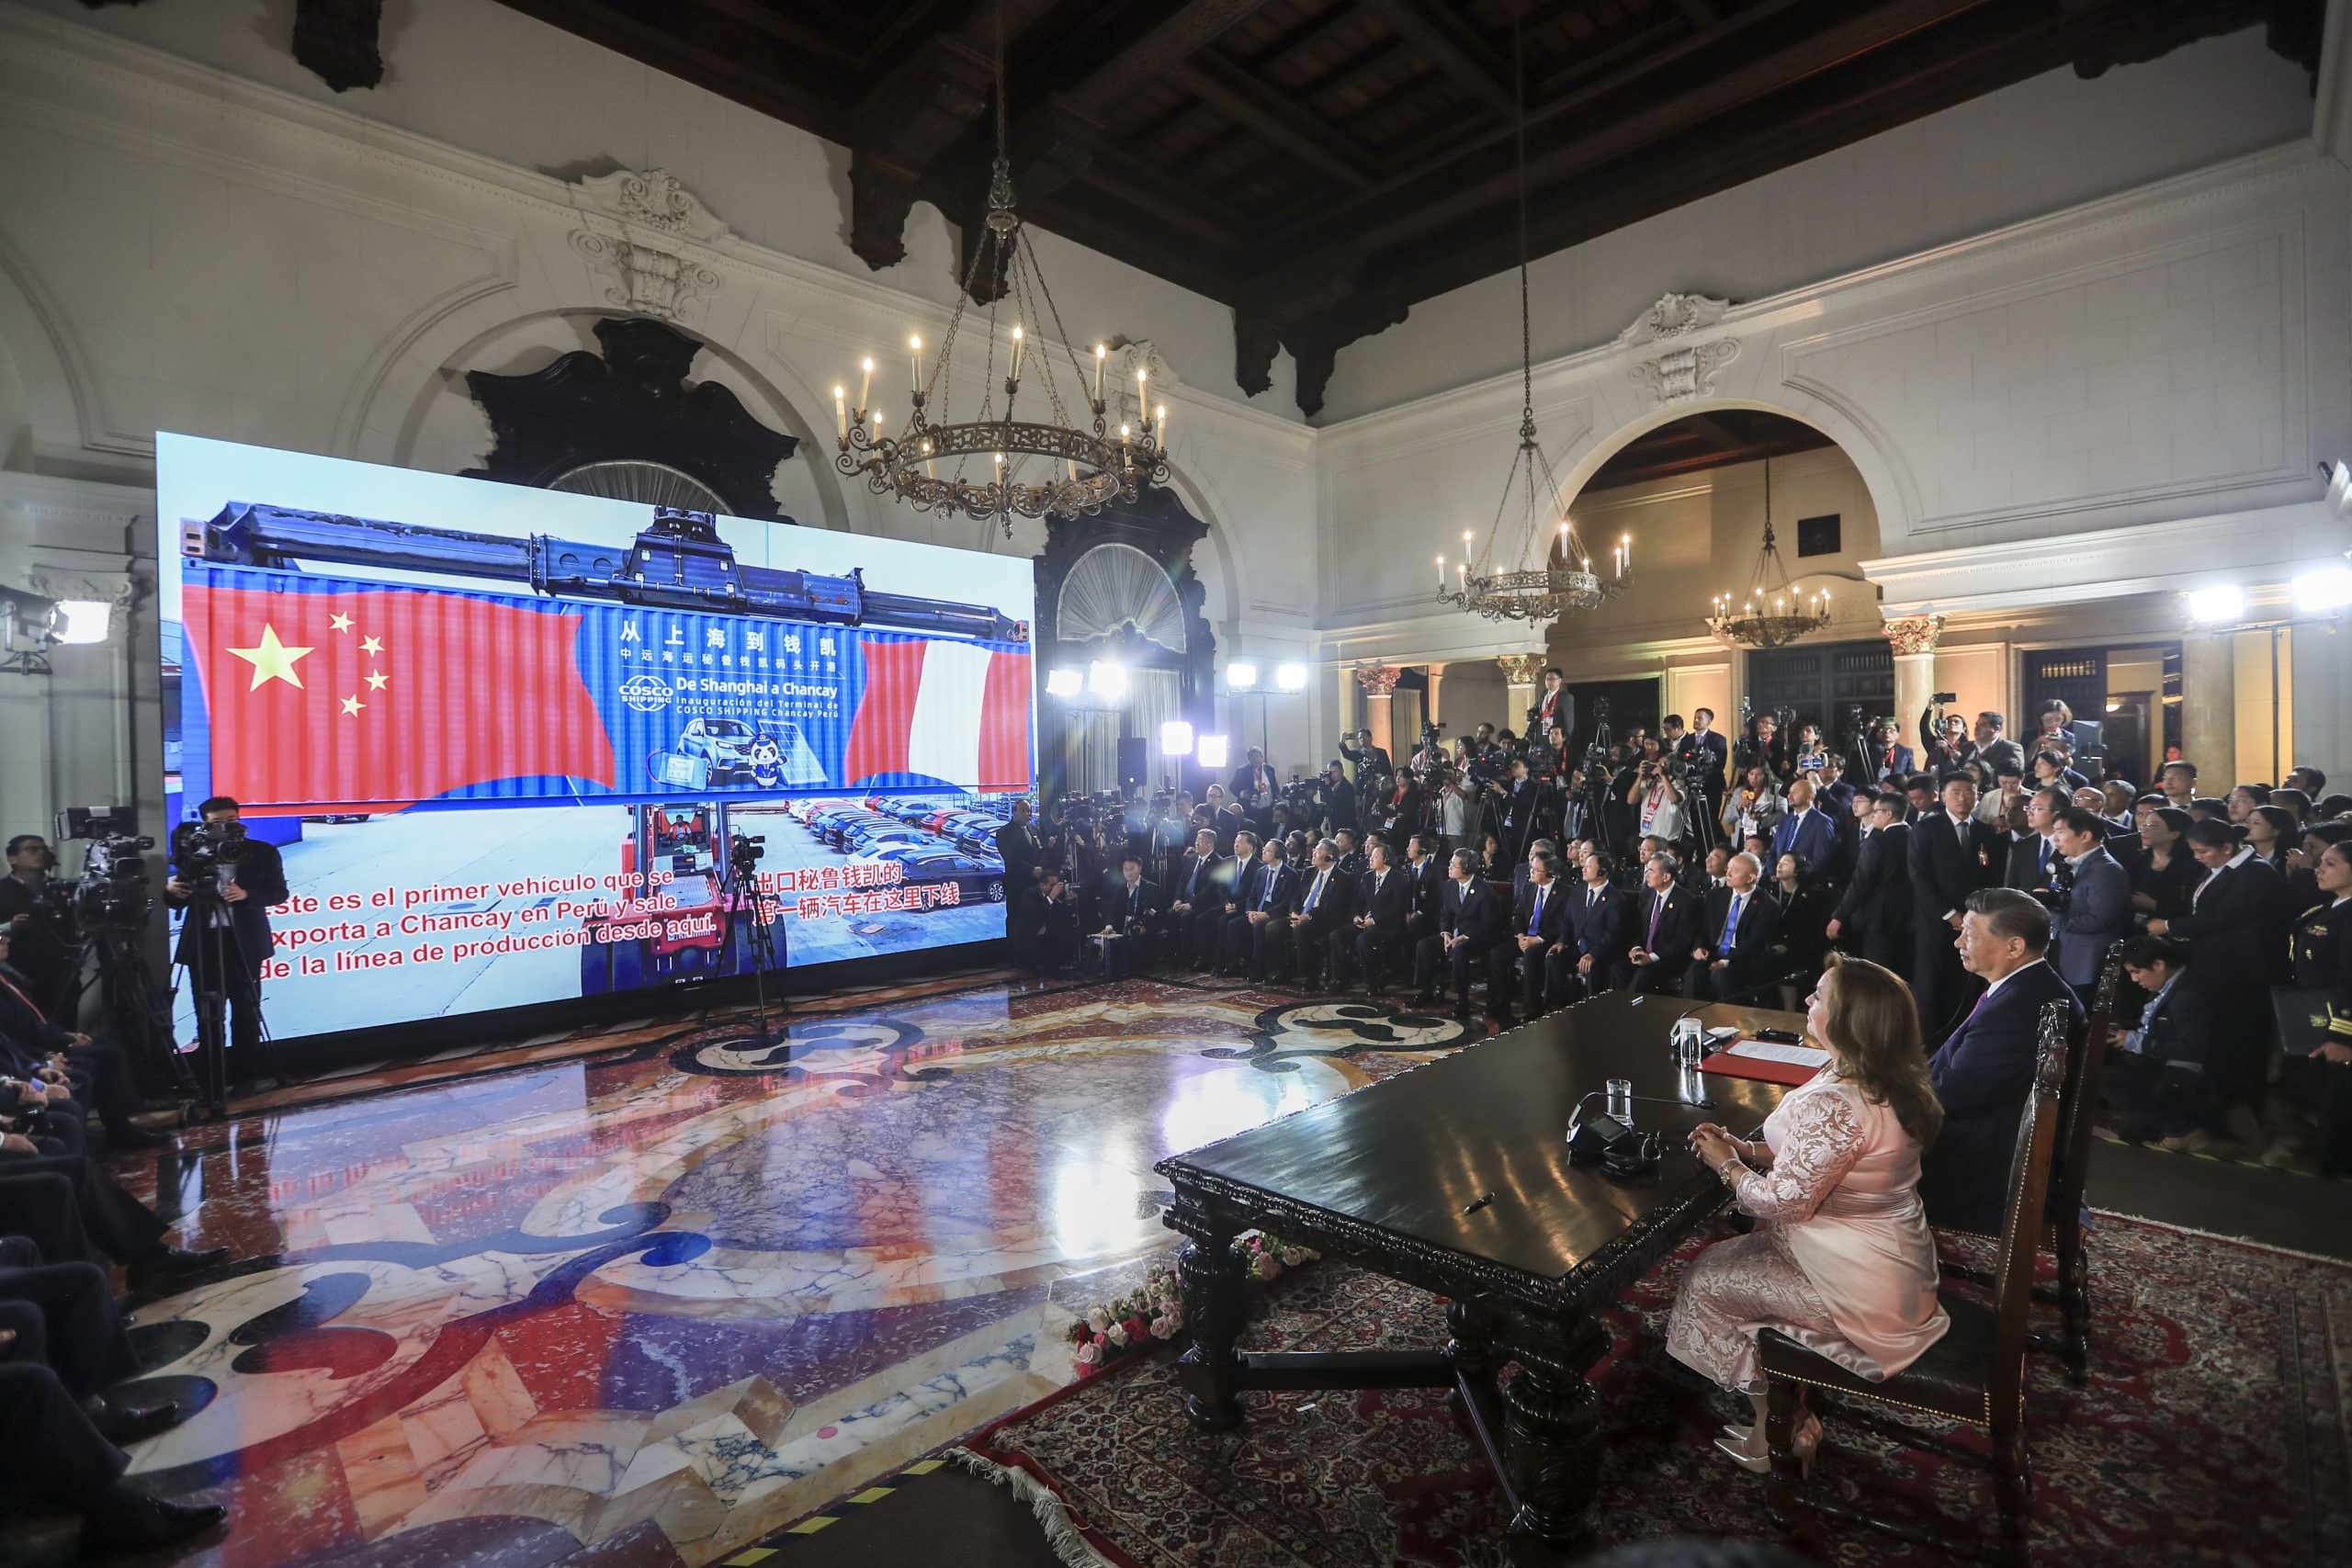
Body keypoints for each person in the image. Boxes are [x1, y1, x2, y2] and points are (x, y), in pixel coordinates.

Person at [1668, 956, 1949, 1473]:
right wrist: (1751, 1152)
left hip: (1855, 1281)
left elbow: (1784, 1202)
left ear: (1849, 1019)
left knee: (1706, 1278)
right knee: (1729, 1263)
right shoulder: (1883, 1076)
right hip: (1890, 1258)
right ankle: (1789, 1409)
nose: (1807, 1003)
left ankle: (1777, 1429)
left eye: (1819, 996)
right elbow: (1823, 1158)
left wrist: (1726, 1165)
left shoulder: (1840, 1101)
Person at [1917, 889, 2082, 1236]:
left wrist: (1885, 1093)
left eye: (1970, 935)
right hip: (1995, 1139)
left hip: (1982, 1166)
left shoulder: (2017, 1008)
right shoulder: (2030, 987)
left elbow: (1952, 1097)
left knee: (1851, 1157)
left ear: (2014, 947)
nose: (1957, 942)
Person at [2148, 817, 2292, 1146]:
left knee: (2242, 1048)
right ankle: (2218, 1114)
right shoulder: (2223, 868)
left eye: (2202, 852)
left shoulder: (2256, 872)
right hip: (2216, 971)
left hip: (2244, 976)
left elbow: (2225, 917)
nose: (2198, 858)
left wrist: (2170, 926)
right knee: (2220, 1047)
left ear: (2227, 847)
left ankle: (2245, 1116)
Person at [164, 796, 287, 1089]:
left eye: (230, 820)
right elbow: (173, 899)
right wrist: (171, 890)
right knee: (208, 1015)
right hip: (203, 946)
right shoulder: (194, 854)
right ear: (205, 824)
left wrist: (246, 896)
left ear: (239, 819)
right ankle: (212, 1079)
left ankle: (246, 1077)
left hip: (246, 945)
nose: (225, 828)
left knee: (246, 1013)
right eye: (216, 823)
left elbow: (279, 894)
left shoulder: (263, 853)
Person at [1905, 771, 2005, 1041]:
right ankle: (1925, 1047)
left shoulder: (1985, 832)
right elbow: (1919, 876)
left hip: (1976, 923)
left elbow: (1992, 878)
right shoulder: (1926, 829)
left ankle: (1962, 1041)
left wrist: (1975, 915)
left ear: (1978, 796)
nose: (1963, 798)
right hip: (1935, 921)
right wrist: (1951, 914)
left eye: (1969, 792)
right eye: (1956, 793)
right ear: (1943, 796)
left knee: (1967, 984)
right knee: (1931, 985)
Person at [2101, 933, 2222, 1148]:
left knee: (2098, 1077)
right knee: (2132, 1130)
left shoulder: (2189, 995)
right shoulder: (2168, 985)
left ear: (2158, 964)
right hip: (2158, 1062)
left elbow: (2194, 1048)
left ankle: (2182, 1129)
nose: (2135, 979)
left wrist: (2136, 1041)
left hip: (2181, 1073)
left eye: (2136, 972)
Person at [2287, 840, 2352, 1176]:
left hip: (2338, 1024)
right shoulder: (2328, 908)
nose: (2319, 869)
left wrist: (2344, 1036)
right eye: (2320, 862)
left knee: (2338, 1100)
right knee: (2320, 1094)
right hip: (2314, 1016)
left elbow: (2349, 979)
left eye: (2330, 863)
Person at [2046, 806, 2132, 990]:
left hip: (2086, 962)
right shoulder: (2070, 864)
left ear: (2085, 836)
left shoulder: (2106, 870)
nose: (2055, 838)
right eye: (2054, 832)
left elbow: (2098, 920)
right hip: (2064, 951)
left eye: (2060, 832)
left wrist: (2050, 916)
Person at [1414, 849, 1501, 1020]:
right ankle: (1426, 990)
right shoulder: (1450, 885)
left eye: (1453, 865)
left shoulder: (1484, 891)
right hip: (1453, 934)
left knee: (1460, 950)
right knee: (1424, 946)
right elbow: (1446, 914)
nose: (1449, 867)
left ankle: (1462, 999)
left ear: (1467, 868)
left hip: (1476, 937)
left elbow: (1488, 925)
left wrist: (1464, 937)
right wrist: (1445, 932)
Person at [1827, 793, 1911, 970]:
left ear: (1888, 814)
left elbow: (1860, 883)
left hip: (1879, 919)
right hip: (1910, 918)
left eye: (1876, 811)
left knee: (1877, 974)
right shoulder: (1916, 836)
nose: (1873, 816)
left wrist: (1839, 917)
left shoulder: (1876, 841)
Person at [1685, 852, 1781, 1003]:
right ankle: (1691, 1016)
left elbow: (1756, 941)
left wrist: (1726, 961)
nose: (1727, 873)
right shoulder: (1715, 895)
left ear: (1751, 877)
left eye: (1734, 871)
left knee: (1722, 976)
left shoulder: (1768, 905)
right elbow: (1703, 928)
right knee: (1695, 971)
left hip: (1746, 958)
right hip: (1715, 951)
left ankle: (1731, 1020)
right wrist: (1699, 947)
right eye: (1728, 868)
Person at [0, 835, 73, 1019]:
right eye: (32, 849)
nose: (41, 853)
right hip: (18, 976)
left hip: (62, 975)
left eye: (44, 849)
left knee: (69, 1033)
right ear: (12, 858)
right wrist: (10, 927)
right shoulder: (2, 890)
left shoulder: (60, 888)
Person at [1493, 849, 1567, 1023]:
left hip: (1546, 939)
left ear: (1548, 872)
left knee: (1530, 957)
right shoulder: (1528, 888)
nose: (1531, 872)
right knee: (1497, 954)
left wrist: (1537, 939)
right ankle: (1501, 1001)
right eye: (1531, 868)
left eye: (1536, 870)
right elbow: (1518, 916)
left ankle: (1532, 1008)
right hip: (1525, 937)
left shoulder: (1563, 892)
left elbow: (1561, 926)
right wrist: (1520, 936)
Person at [1270, 840, 1352, 988]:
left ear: (1329, 857)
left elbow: (1332, 906)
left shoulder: (1342, 877)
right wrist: (1294, 912)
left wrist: (1307, 917)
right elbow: (1297, 896)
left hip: (1323, 919)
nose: (1313, 854)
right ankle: (1283, 969)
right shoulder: (1309, 872)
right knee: (1272, 928)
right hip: (1301, 916)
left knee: (1301, 930)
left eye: (1318, 851)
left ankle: (1310, 976)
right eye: (1314, 850)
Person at [1333, 836, 1408, 995]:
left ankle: (1372, 982)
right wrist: (1356, 916)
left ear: (1386, 858)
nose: (1370, 859)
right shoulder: (1367, 876)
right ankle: (1343, 978)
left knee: (1363, 940)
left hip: (1386, 924)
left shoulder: (1399, 879)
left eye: (1375, 857)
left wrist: (1373, 921)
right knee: (1337, 935)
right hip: (1364, 921)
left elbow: (1397, 908)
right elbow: (1358, 901)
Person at [1556, 849, 1631, 1008]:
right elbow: (1567, 921)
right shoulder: (1577, 892)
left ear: (1602, 872)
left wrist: (1593, 954)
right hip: (1577, 947)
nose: (1583, 868)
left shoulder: (1616, 899)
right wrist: (1562, 941)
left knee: (1592, 967)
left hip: (1600, 951)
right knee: (1553, 959)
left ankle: (1593, 1012)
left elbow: (1612, 934)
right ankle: (1555, 1007)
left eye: (1589, 866)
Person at [1619, 852, 1701, 993]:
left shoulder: (1687, 901)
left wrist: (1651, 957)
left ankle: (1625, 1010)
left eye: (1651, 871)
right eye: (1646, 870)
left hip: (1669, 958)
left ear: (1666, 876)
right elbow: (1638, 926)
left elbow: (1683, 940)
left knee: (1644, 973)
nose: (1647, 874)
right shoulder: (1647, 893)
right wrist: (1637, 947)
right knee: (1617, 968)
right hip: (1644, 953)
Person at [1765, 852, 1834, 1007]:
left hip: (1799, 944)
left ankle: (1790, 1010)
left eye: (1786, 863)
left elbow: (1811, 928)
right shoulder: (1769, 890)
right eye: (1779, 862)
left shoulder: (1811, 895)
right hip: (1770, 942)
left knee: (1787, 962)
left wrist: (1788, 945)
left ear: (1797, 870)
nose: (1780, 866)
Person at [1221, 839, 1295, 980]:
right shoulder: (1261, 872)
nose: (1263, 852)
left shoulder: (1290, 875)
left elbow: (1286, 902)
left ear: (1278, 854)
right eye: (1264, 849)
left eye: (1268, 850)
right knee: (1233, 924)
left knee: (1259, 926)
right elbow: (1252, 896)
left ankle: (1259, 968)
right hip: (1257, 910)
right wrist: (1249, 912)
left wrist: (1266, 914)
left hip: (1275, 912)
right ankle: (1234, 964)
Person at [1164, 828, 1227, 970]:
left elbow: (1210, 889)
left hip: (1204, 904)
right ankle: (1175, 952)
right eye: (1196, 840)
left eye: (1201, 841)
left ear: (1211, 845)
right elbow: (1181, 881)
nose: (1197, 843)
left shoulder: (1218, 862)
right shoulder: (1192, 859)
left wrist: (1191, 904)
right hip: (1184, 901)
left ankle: (1191, 956)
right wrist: (1178, 899)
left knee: (1187, 917)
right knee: (1169, 914)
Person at [994, 800, 1041, 941]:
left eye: (1029, 811)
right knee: (1016, 921)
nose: (1027, 814)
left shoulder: (1034, 829)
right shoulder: (1004, 832)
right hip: (1017, 885)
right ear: (1014, 811)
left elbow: (1042, 850)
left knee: (1034, 921)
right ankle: (1015, 957)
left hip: (1035, 884)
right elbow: (1010, 858)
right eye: (1023, 810)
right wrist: (1031, 870)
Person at [1770, 778, 1835, 870]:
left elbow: (1821, 860)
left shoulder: (1822, 822)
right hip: (1779, 880)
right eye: (1789, 792)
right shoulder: (1785, 820)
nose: (1789, 796)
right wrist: (1773, 875)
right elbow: (1773, 852)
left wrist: (1796, 876)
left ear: (1810, 797)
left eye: (1795, 792)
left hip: (1804, 880)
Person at [1973, 711, 2024, 784]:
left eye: (1982, 725)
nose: (1977, 728)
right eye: (1977, 724)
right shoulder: (1967, 747)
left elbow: (2015, 775)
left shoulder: (2010, 748)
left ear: (1996, 728)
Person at [1867, 717, 1916, 785]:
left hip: (1897, 788)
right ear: (1877, 734)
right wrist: (1868, 729)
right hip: (1874, 786)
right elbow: (1863, 742)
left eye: (1891, 730)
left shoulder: (1906, 752)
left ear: (1898, 735)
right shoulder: (1870, 749)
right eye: (1883, 729)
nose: (1887, 732)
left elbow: (1911, 773)